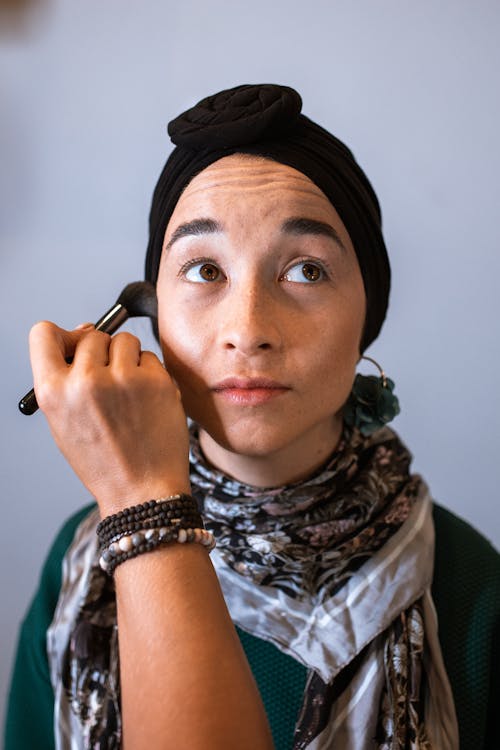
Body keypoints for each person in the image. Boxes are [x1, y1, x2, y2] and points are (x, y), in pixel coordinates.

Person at [4, 84, 499, 750]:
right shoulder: (78, 563)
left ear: (367, 318)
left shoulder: (472, 589)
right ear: (154, 316)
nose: (248, 330)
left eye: (307, 271)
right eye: (205, 268)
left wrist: (143, 508)